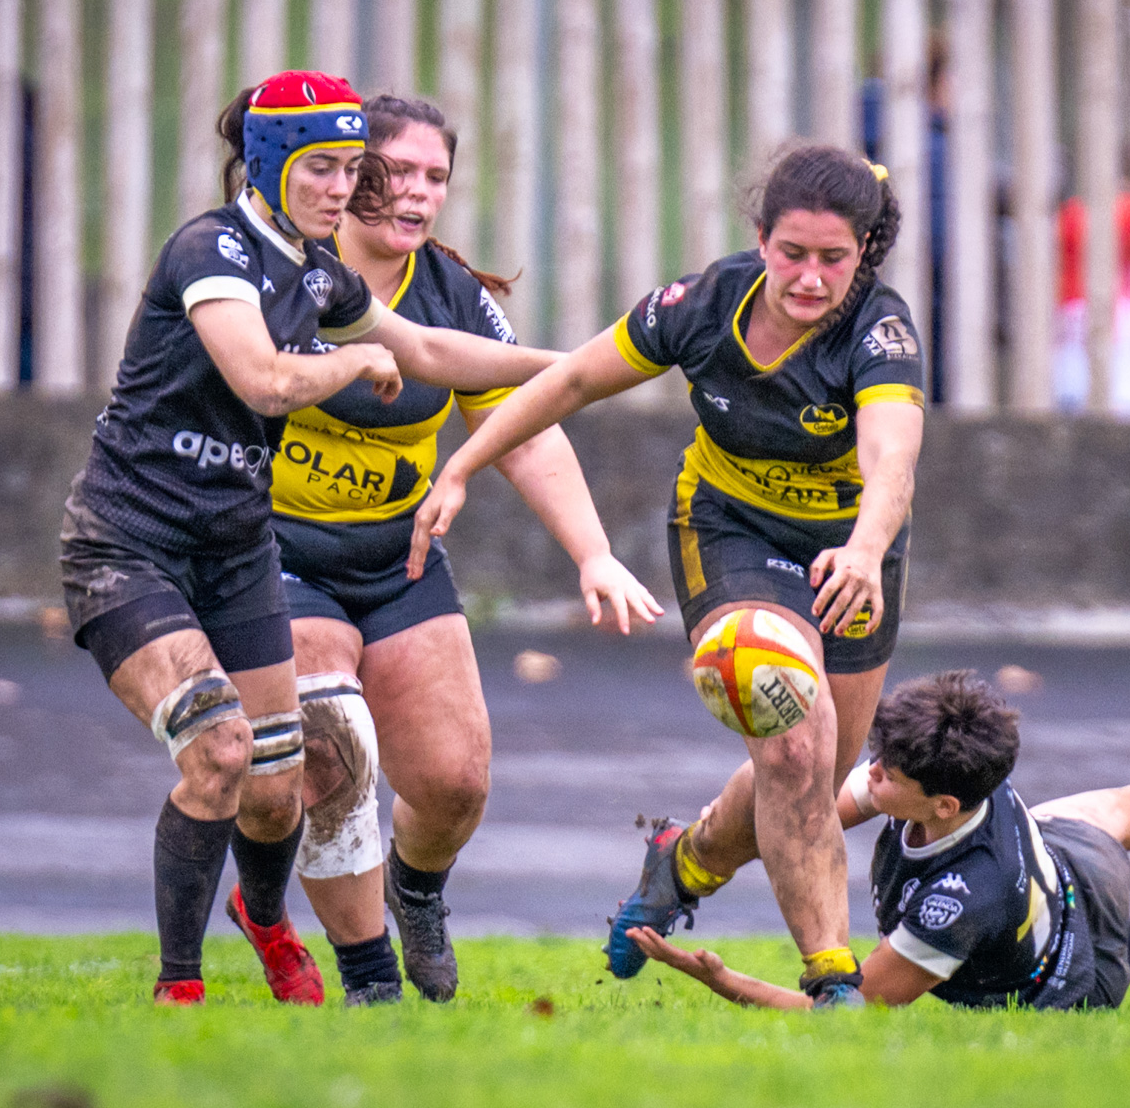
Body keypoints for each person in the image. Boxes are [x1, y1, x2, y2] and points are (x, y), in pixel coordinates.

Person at [57, 71, 556, 1005]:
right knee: (222, 749)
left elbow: (428, 351)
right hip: (131, 543)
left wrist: (584, 363)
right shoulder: (212, 250)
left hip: (237, 551)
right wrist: (355, 359)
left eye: (349, 168)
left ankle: (267, 916)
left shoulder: (318, 271)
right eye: (321, 168)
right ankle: (186, 987)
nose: (342, 188)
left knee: (279, 785)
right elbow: (264, 380)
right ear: (268, 163)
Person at [416, 144, 924, 1008]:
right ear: (760, 238)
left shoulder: (879, 330)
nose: (810, 277)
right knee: (793, 745)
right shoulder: (700, 306)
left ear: (863, 253)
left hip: (853, 553)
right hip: (732, 531)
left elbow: (892, 458)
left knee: (818, 774)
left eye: (833, 258)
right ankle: (832, 979)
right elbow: (572, 379)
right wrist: (461, 465)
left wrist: (867, 549)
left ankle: (683, 861)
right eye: (792, 253)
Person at [274, 93, 662, 1005]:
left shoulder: (452, 295)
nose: (418, 192)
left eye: (436, 176)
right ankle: (369, 973)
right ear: (351, 173)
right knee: (332, 751)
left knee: (454, 783)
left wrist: (593, 553)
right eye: (398, 171)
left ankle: (414, 890)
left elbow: (523, 429)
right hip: (278, 554)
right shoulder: (285, 273)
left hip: (396, 559)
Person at [630, 670, 1130, 1010]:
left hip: (1060, 977)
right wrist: (702, 847)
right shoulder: (963, 774)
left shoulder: (960, 899)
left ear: (943, 804)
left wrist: (720, 979)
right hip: (1060, 859)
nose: (869, 772)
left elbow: (849, 1008)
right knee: (1119, 810)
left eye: (886, 773)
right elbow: (798, 821)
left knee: (1099, 961)